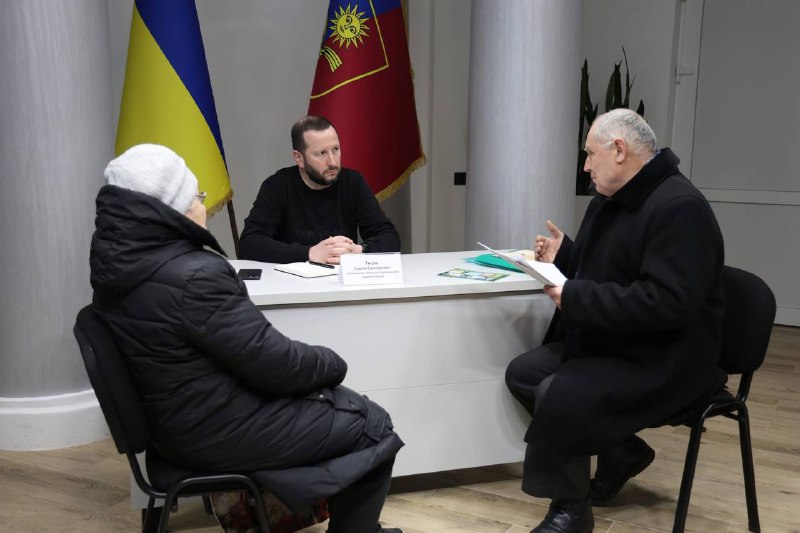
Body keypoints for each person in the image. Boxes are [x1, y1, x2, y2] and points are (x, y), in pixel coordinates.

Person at [90, 144, 404, 533]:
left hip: (174, 425)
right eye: (197, 196)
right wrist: (333, 362)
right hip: (214, 430)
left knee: (337, 405)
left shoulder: (115, 266)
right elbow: (276, 365)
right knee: (372, 423)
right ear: (173, 209)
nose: (203, 207)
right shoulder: (194, 275)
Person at [505, 109, 726, 533]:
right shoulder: (612, 198)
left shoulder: (680, 207)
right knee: (525, 373)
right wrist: (566, 256)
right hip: (620, 342)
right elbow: (612, 270)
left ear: (619, 150)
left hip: (667, 358)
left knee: (559, 392)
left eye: (590, 154)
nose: (586, 166)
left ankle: (571, 510)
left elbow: (667, 303)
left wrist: (575, 297)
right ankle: (620, 450)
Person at [239, 115, 401, 264]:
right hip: (291, 280)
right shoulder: (278, 186)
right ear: (299, 158)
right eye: (321, 153)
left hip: (340, 279)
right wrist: (309, 253)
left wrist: (359, 250)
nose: (332, 162)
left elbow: (390, 237)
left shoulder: (353, 182)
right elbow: (249, 243)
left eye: (335, 150)